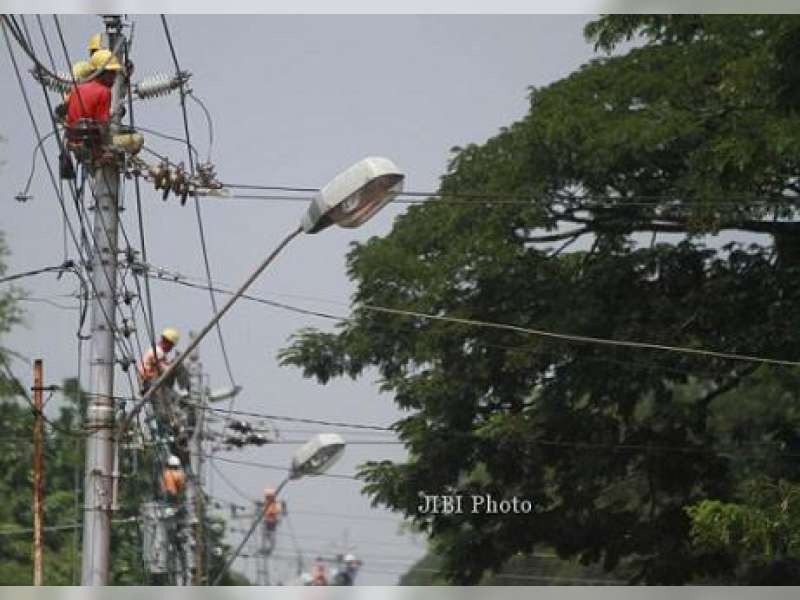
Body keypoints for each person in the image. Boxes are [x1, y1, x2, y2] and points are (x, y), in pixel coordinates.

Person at [65, 49, 122, 129]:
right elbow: (103, 126)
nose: (114, 77)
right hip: (90, 139)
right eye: (112, 72)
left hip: (72, 138)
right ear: (101, 72)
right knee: (136, 139)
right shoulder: (104, 92)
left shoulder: (77, 88)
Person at [137, 327, 181, 391]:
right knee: (179, 367)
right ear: (167, 343)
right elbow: (165, 369)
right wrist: (175, 364)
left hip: (147, 382)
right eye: (171, 346)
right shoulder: (157, 352)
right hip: (149, 382)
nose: (170, 349)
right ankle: (184, 388)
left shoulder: (157, 351)